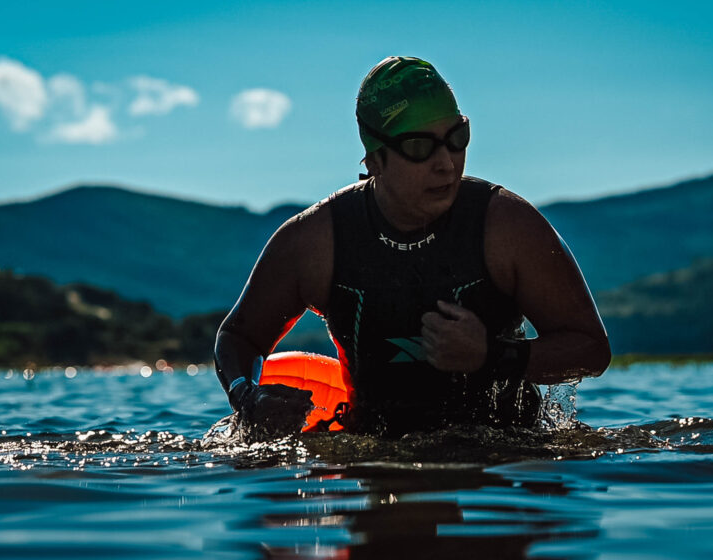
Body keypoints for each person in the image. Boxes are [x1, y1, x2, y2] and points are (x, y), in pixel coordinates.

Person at [214, 56, 610, 437]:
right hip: (375, 453)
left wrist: (493, 356)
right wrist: (247, 397)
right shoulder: (315, 242)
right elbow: (238, 337)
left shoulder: (507, 228)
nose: (447, 163)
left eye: (457, 138)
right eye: (421, 147)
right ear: (375, 159)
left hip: (501, 458)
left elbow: (591, 350)